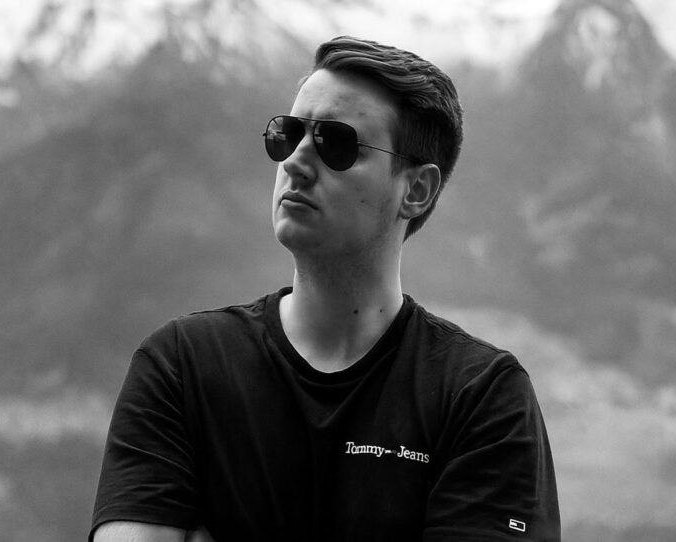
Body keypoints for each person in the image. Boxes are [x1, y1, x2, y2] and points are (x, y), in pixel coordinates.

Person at [91, 36, 559, 542]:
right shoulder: (181, 367)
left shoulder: (482, 397)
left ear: (416, 190)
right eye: (287, 134)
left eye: (336, 143)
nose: (295, 161)